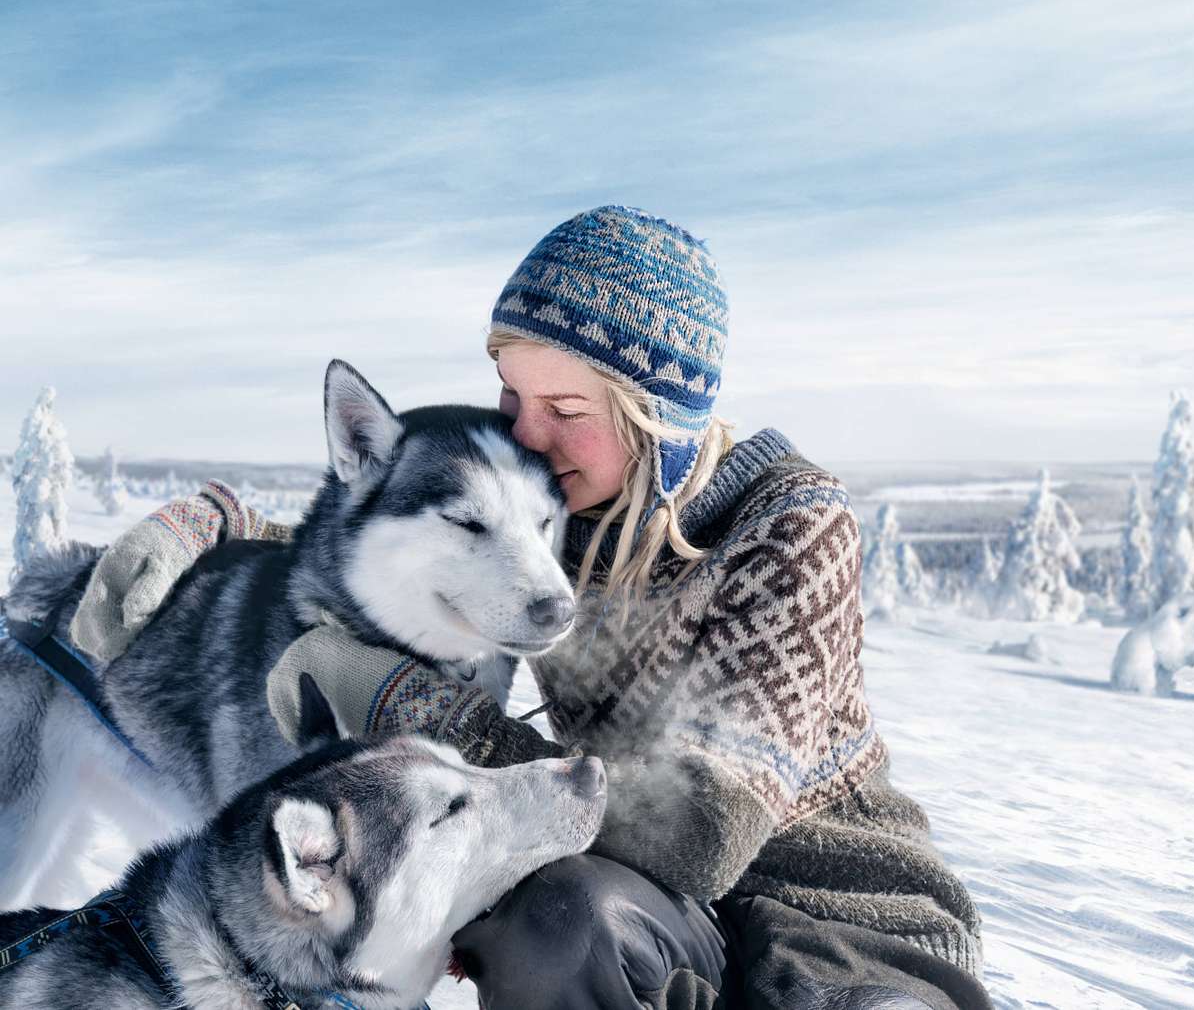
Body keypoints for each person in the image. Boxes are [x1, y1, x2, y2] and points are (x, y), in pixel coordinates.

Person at [73, 206, 992, 1010]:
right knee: (556, 921)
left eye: (563, 405)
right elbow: (378, 530)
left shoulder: (790, 528)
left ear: (657, 423)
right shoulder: (571, 509)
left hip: (833, 919)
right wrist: (205, 519)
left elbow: (700, 834)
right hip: (639, 915)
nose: (524, 433)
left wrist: (398, 698)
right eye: (513, 394)